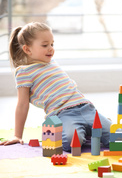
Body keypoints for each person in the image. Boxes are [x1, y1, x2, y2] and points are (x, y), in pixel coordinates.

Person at [0, 22, 112, 152]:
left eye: (52, 44)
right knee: (71, 144)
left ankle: (91, 128)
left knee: (119, 137)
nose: (51, 48)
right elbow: (22, 104)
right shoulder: (24, 72)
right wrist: (17, 135)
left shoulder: (52, 62)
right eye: (45, 45)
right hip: (62, 113)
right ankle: (85, 131)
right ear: (27, 49)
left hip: (87, 107)